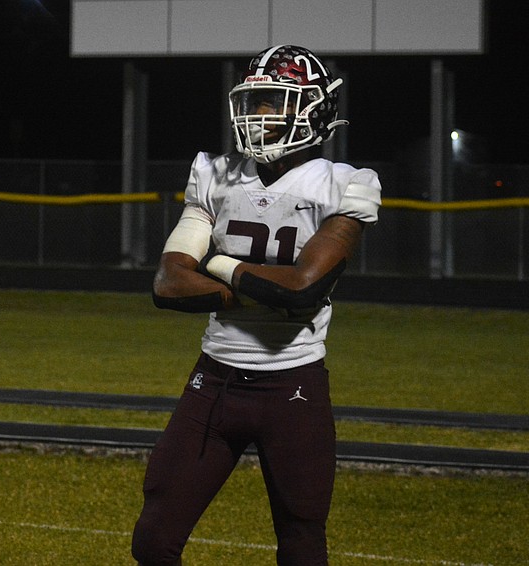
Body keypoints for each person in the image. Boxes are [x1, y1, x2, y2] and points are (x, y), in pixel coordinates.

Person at [131, 45, 382, 565]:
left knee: (301, 540)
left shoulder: (344, 184)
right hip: (215, 383)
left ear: (313, 111)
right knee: (154, 539)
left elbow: (301, 291)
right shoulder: (215, 174)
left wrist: (219, 265)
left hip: (293, 386)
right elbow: (168, 283)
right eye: (257, 100)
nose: (260, 114)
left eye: (275, 101)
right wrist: (258, 287)